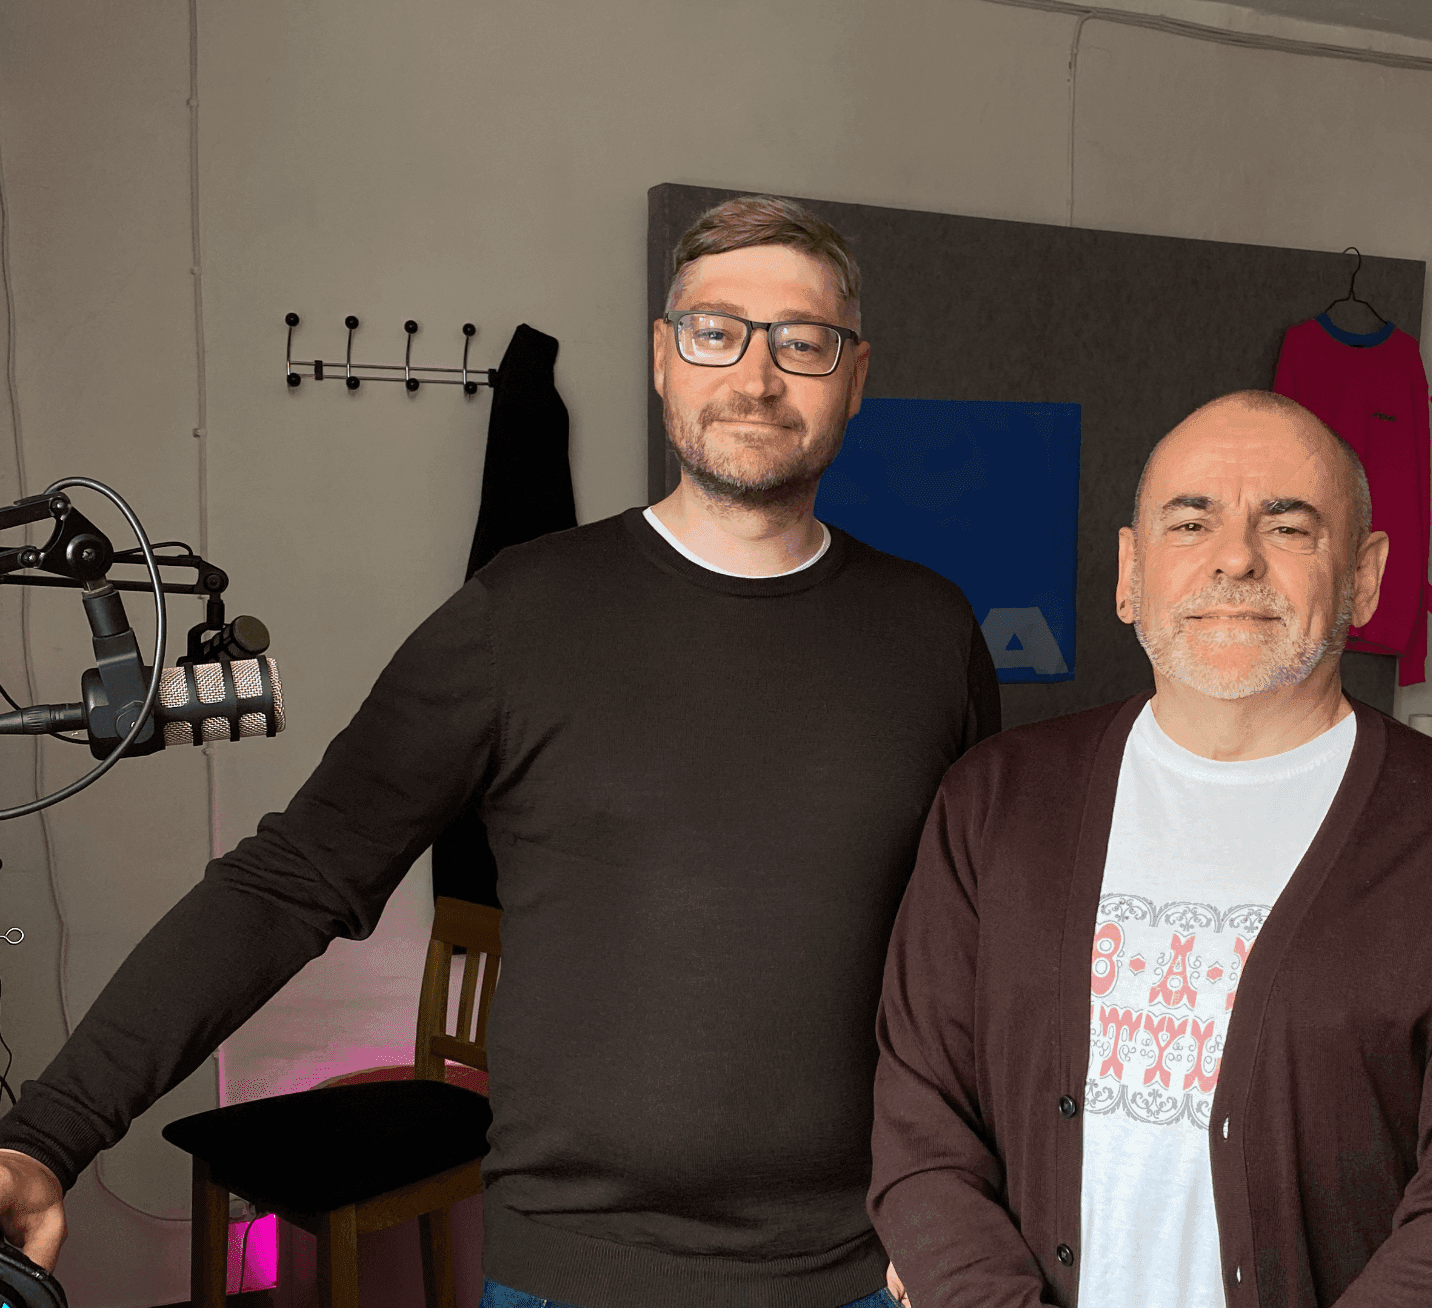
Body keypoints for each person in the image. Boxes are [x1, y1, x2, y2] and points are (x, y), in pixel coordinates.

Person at [0, 196, 999, 1308]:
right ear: (663, 358)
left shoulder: (931, 634)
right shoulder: (520, 614)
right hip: (571, 1277)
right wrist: (47, 1136)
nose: (756, 377)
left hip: (865, 1271)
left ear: (856, 376)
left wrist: (957, 1209)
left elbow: (975, 959)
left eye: (802, 341)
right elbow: (290, 881)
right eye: (716, 331)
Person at [870, 390, 1432, 1308]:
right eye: (1191, 523)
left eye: (1288, 527)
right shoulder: (996, 801)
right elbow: (921, 1120)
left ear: (1364, 577)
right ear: (1130, 573)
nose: (1236, 557)